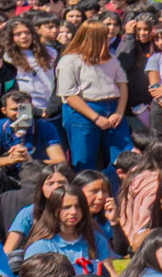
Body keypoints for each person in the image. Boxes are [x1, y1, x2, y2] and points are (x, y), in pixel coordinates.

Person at [55, 22, 131, 183]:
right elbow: (70, 95)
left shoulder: (110, 58)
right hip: (83, 111)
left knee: (121, 156)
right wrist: (96, 118)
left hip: (112, 107)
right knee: (84, 160)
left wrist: (119, 112)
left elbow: (122, 84)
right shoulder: (69, 61)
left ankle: (115, 189)